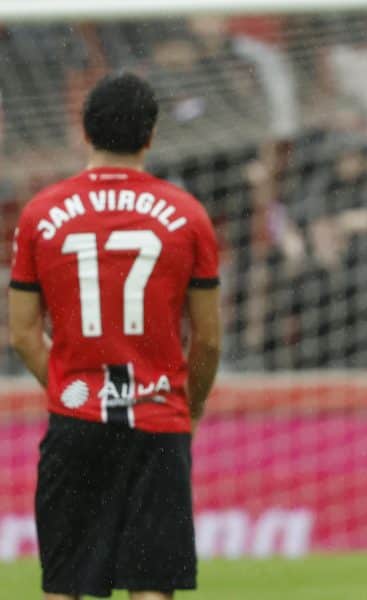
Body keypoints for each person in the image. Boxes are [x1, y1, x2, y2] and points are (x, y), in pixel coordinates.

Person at [7, 72, 221, 600]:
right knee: (151, 587)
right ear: (150, 135)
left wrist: (68, 388)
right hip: (157, 418)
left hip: (76, 422)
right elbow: (209, 339)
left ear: (85, 133)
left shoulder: (40, 215)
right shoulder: (188, 216)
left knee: (66, 585)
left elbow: (21, 332)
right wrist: (186, 408)